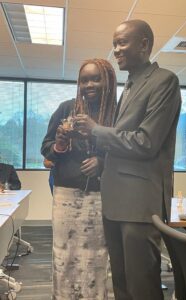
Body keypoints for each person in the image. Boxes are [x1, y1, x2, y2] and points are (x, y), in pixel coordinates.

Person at [75, 20, 182, 300]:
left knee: (141, 287)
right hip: (115, 203)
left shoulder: (164, 81)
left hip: (139, 204)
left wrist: (96, 130)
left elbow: (146, 142)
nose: (116, 50)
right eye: (114, 44)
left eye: (122, 43)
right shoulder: (130, 86)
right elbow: (124, 139)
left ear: (144, 44)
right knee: (121, 284)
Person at [41, 58, 117, 300]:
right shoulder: (66, 108)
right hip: (66, 194)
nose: (90, 84)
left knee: (95, 257)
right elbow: (46, 148)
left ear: (108, 81)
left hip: (101, 195)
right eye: (84, 80)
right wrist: (61, 144)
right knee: (64, 255)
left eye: (96, 79)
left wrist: (102, 163)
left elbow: (127, 151)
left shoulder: (117, 113)